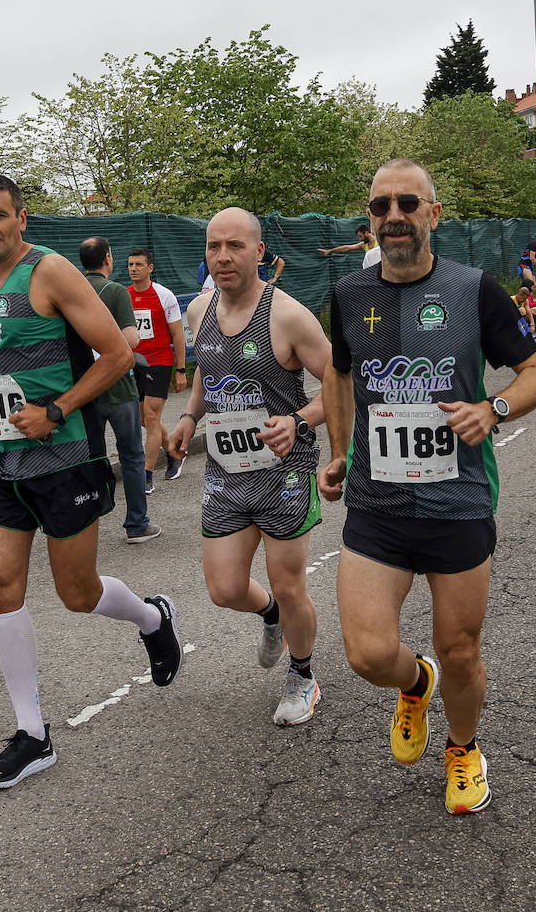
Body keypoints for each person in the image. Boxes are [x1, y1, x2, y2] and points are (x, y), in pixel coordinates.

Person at [319, 159, 536, 815]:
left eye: (406, 203)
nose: (392, 216)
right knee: (368, 654)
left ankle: (462, 749)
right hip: (377, 502)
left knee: (460, 649)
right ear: (370, 220)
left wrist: (494, 409)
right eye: (379, 206)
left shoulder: (475, 289)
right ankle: (412, 682)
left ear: (433, 214)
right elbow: (337, 376)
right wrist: (338, 452)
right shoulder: (348, 295)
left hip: (457, 501)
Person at [0, 174, 182, 790]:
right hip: (2, 461)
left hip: (64, 456)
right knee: (0, 586)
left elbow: (116, 355)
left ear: (22, 218)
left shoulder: (50, 272)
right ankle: (32, 734)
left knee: (76, 594)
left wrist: (54, 411)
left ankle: (154, 619)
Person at [168, 207, 332, 726]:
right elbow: (206, 372)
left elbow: (342, 384)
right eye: (214, 246)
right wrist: (190, 417)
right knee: (224, 589)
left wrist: (300, 422)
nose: (222, 257)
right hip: (225, 472)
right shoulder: (199, 310)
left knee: (288, 583)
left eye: (235, 246)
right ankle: (272, 619)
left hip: (284, 472)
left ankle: (303, 675)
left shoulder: (288, 316)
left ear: (258, 252)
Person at [78, 237, 159, 544]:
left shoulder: (70, 291)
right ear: (108, 259)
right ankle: (137, 524)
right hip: (119, 386)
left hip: (84, 389)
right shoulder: (115, 292)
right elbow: (132, 340)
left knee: (90, 458)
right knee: (132, 457)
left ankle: (86, 525)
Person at [127, 247, 188, 491]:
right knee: (143, 418)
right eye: (130, 264)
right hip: (135, 365)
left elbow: (177, 334)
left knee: (152, 417)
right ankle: (174, 452)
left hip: (160, 362)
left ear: (150, 268)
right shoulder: (124, 295)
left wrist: (181, 370)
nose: (133, 268)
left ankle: (146, 475)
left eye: (139, 264)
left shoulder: (164, 295)